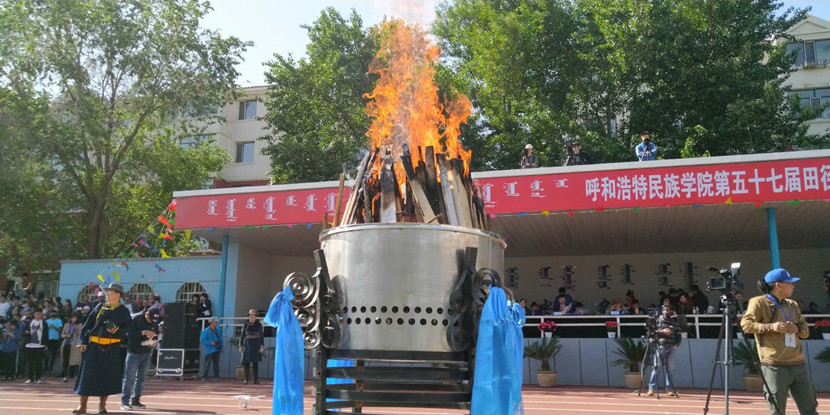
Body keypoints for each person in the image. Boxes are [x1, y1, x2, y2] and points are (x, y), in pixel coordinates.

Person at [740, 269, 818, 415]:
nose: (793, 286)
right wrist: (771, 327)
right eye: (790, 283)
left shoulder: (792, 304)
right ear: (778, 285)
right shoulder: (759, 302)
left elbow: (806, 331)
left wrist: (796, 328)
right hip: (774, 366)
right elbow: (746, 325)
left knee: (810, 409)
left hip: (798, 364)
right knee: (777, 410)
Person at [73, 283, 131, 415]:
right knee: (86, 377)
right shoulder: (99, 307)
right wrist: (83, 342)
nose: (107, 294)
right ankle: (82, 406)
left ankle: (102, 406)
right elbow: (87, 325)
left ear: (118, 295)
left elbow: (129, 330)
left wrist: (116, 330)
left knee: (107, 377)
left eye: (110, 292)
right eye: (107, 292)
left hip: (112, 348)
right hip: (94, 346)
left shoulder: (124, 311)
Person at [121, 307, 161, 410]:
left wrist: (153, 342)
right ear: (146, 314)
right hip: (133, 352)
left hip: (147, 352)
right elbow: (127, 334)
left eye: (154, 320)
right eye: (150, 319)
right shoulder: (135, 318)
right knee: (129, 377)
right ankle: (125, 402)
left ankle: (136, 400)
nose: (152, 322)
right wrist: (143, 332)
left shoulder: (154, 321)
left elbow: (155, 335)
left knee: (142, 378)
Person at [647, 304, 681, 397]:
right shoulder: (658, 320)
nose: (667, 312)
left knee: (670, 370)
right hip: (661, 347)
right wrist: (662, 331)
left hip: (671, 348)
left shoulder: (674, 322)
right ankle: (651, 389)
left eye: (669, 310)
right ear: (663, 311)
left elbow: (679, 335)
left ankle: (669, 389)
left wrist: (676, 345)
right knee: (656, 368)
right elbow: (652, 332)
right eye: (666, 310)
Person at [239, 308, 264, 385]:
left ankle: (255, 379)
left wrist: (261, 345)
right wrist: (241, 345)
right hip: (247, 344)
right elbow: (242, 335)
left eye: (253, 315)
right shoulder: (245, 324)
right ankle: (246, 379)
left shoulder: (259, 325)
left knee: (255, 363)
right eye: (250, 315)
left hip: (256, 344)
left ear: (256, 316)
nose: (252, 316)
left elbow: (261, 336)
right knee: (246, 363)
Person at [24, 309, 48, 384]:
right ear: (34, 314)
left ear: (41, 315)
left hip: (40, 345)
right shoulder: (29, 322)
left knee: (39, 362)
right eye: (36, 314)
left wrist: (46, 344)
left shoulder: (44, 323)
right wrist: (27, 332)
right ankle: (30, 378)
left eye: (39, 314)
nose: (38, 315)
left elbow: (46, 334)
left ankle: (38, 378)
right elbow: (25, 332)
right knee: (30, 362)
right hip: (30, 345)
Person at [60, 313, 82, 382]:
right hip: (67, 344)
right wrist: (66, 336)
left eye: (75, 318)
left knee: (76, 360)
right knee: (65, 360)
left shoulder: (80, 325)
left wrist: (76, 330)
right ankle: (65, 375)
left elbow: (80, 335)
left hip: (75, 345)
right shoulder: (66, 325)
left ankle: (76, 375)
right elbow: (62, 334)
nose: (73, 319)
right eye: (72, 318)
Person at [200, 316, 222, 381]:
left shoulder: (217, 330)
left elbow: (220, 339)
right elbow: (202, 340)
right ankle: (204, 377)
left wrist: (222, 347)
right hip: (209, 350)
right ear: (211, 322)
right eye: (215, 322)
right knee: (207, 364)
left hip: (217, 350)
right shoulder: (206, 331)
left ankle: (216, 377)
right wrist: (210, 343)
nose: (216, 323)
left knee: (216, 364)